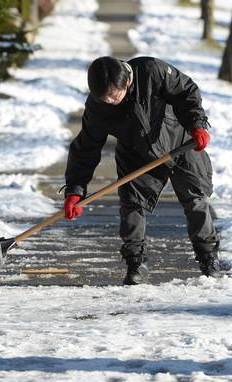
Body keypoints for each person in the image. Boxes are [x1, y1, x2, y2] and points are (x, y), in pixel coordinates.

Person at [62, 56, 220, 285]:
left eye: (113, 95)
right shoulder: (98, 106)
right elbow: (86, 147)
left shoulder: (151, 71)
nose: (109, 101)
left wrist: (197, 125)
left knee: (195, 199)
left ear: (126, 82)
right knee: (132, 204)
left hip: (181, 141)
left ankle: (208, 258)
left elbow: (186, 92)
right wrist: (75, 190)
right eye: (104, 98)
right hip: (135, 152)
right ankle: (136, 262)